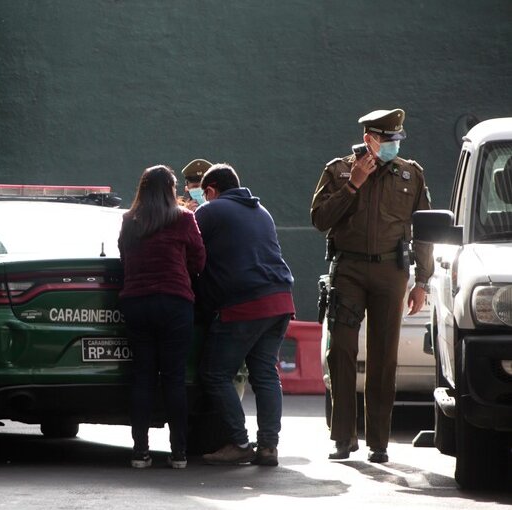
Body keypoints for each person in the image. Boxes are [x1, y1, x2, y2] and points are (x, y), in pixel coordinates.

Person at [311, 108, 434, 464]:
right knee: (342, 353)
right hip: (347, 270)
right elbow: (320, 219)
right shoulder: (338, 172)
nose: (394, 145)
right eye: (388, 140)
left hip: (390, 273)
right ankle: (343, 437)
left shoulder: (411, 174)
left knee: (384, 357)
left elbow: (424, 230)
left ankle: (378, 442)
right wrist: (353, 185)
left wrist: (421, 281)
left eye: (398, 139)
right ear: (369, 139)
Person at [193, 163, 296, 467]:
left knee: (215, 373)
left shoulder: (210, 211)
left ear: (210, 190)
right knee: (265, 374)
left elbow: (187, 250)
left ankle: (239, 442)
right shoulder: (261, 211)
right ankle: (268, 447)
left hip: (244, 305)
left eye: (203, 193)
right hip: (280, 300)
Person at [118, 164, 206, 469]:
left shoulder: (130, 220)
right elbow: (199, 259)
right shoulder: (184, 218)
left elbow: (123, 257)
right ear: (170, 190)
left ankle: (139, 452)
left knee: (142, 377)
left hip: (137, 302)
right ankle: (179, 452)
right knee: (174, 378)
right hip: (174, 302)